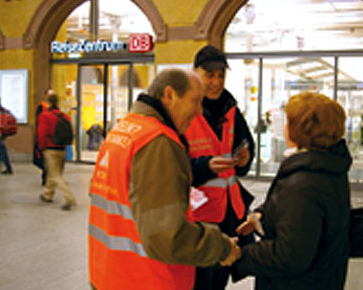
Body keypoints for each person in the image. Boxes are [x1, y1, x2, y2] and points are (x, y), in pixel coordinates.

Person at [88, 68, 241, 290]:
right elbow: (168, 236)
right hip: (147, 279)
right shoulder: (158, 142)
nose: (199, 111)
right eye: (195, 101)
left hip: (109, 274)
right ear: (169, 95)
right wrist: (222, 248)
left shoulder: (122, 131)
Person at [233, 91, 352, 290]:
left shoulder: (304, 183)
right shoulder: (329, 166)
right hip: (322, 277)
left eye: (289, 121)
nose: (285, 126)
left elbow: (289, 256)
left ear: (301, 130)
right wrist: (262, 214)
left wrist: (241, 254)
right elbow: (303, 219)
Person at [184, 45, 255, 290]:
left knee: (219, 278)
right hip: (198, 216)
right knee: (199, 281)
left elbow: (245, 143)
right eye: (210, 75)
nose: (216, 82)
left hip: (227, 212)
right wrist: (206, 167)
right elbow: (174, 166)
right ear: (195, 73)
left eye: (221, 75)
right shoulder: (184, 110)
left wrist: (245, 157)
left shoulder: (230, 109)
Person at [37, 93, 76, 211]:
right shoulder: (65, 116)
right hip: (62, 149)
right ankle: (47, 195)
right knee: (53, 173)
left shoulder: (45, 116)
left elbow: (42, 133)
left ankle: (69, 197)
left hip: (51, 149)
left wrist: (41, 147)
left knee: (55, 175)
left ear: (48, 102)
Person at [34, 89, 55, 186]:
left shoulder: (54, 110)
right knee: (44, 160)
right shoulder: (41, 107)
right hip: (44, 137)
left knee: (49, 162)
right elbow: (39, 124)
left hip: (52, 139)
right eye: (50, 94)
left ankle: (47, 180)